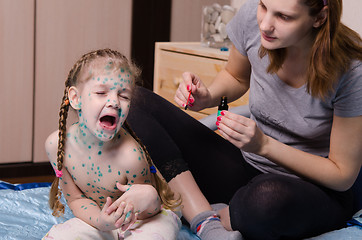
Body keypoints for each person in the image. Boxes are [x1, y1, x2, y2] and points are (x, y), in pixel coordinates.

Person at [126, 0, 362, 239]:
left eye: (284, 17)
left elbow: (341, 175)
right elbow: (236, 77)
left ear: (319, 18)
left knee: (265, 200)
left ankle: (235, 211)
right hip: (246, 167)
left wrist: (265, 145)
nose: (265, 24)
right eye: (263, 6)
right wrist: (207, 97)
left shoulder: (352, 70)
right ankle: (206, 220)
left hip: (313, 191)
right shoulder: (253, 18)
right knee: (135, 101)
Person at [43, 49, 181, 240]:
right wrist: (101, 220)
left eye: (124, 96)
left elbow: (152, 209)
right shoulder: (57, 145)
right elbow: (76, 199)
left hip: (142, 220)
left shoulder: (131, 156)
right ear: (75, 98)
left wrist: (146, 197)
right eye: (101, 92)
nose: (115, 102)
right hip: (98, 219)